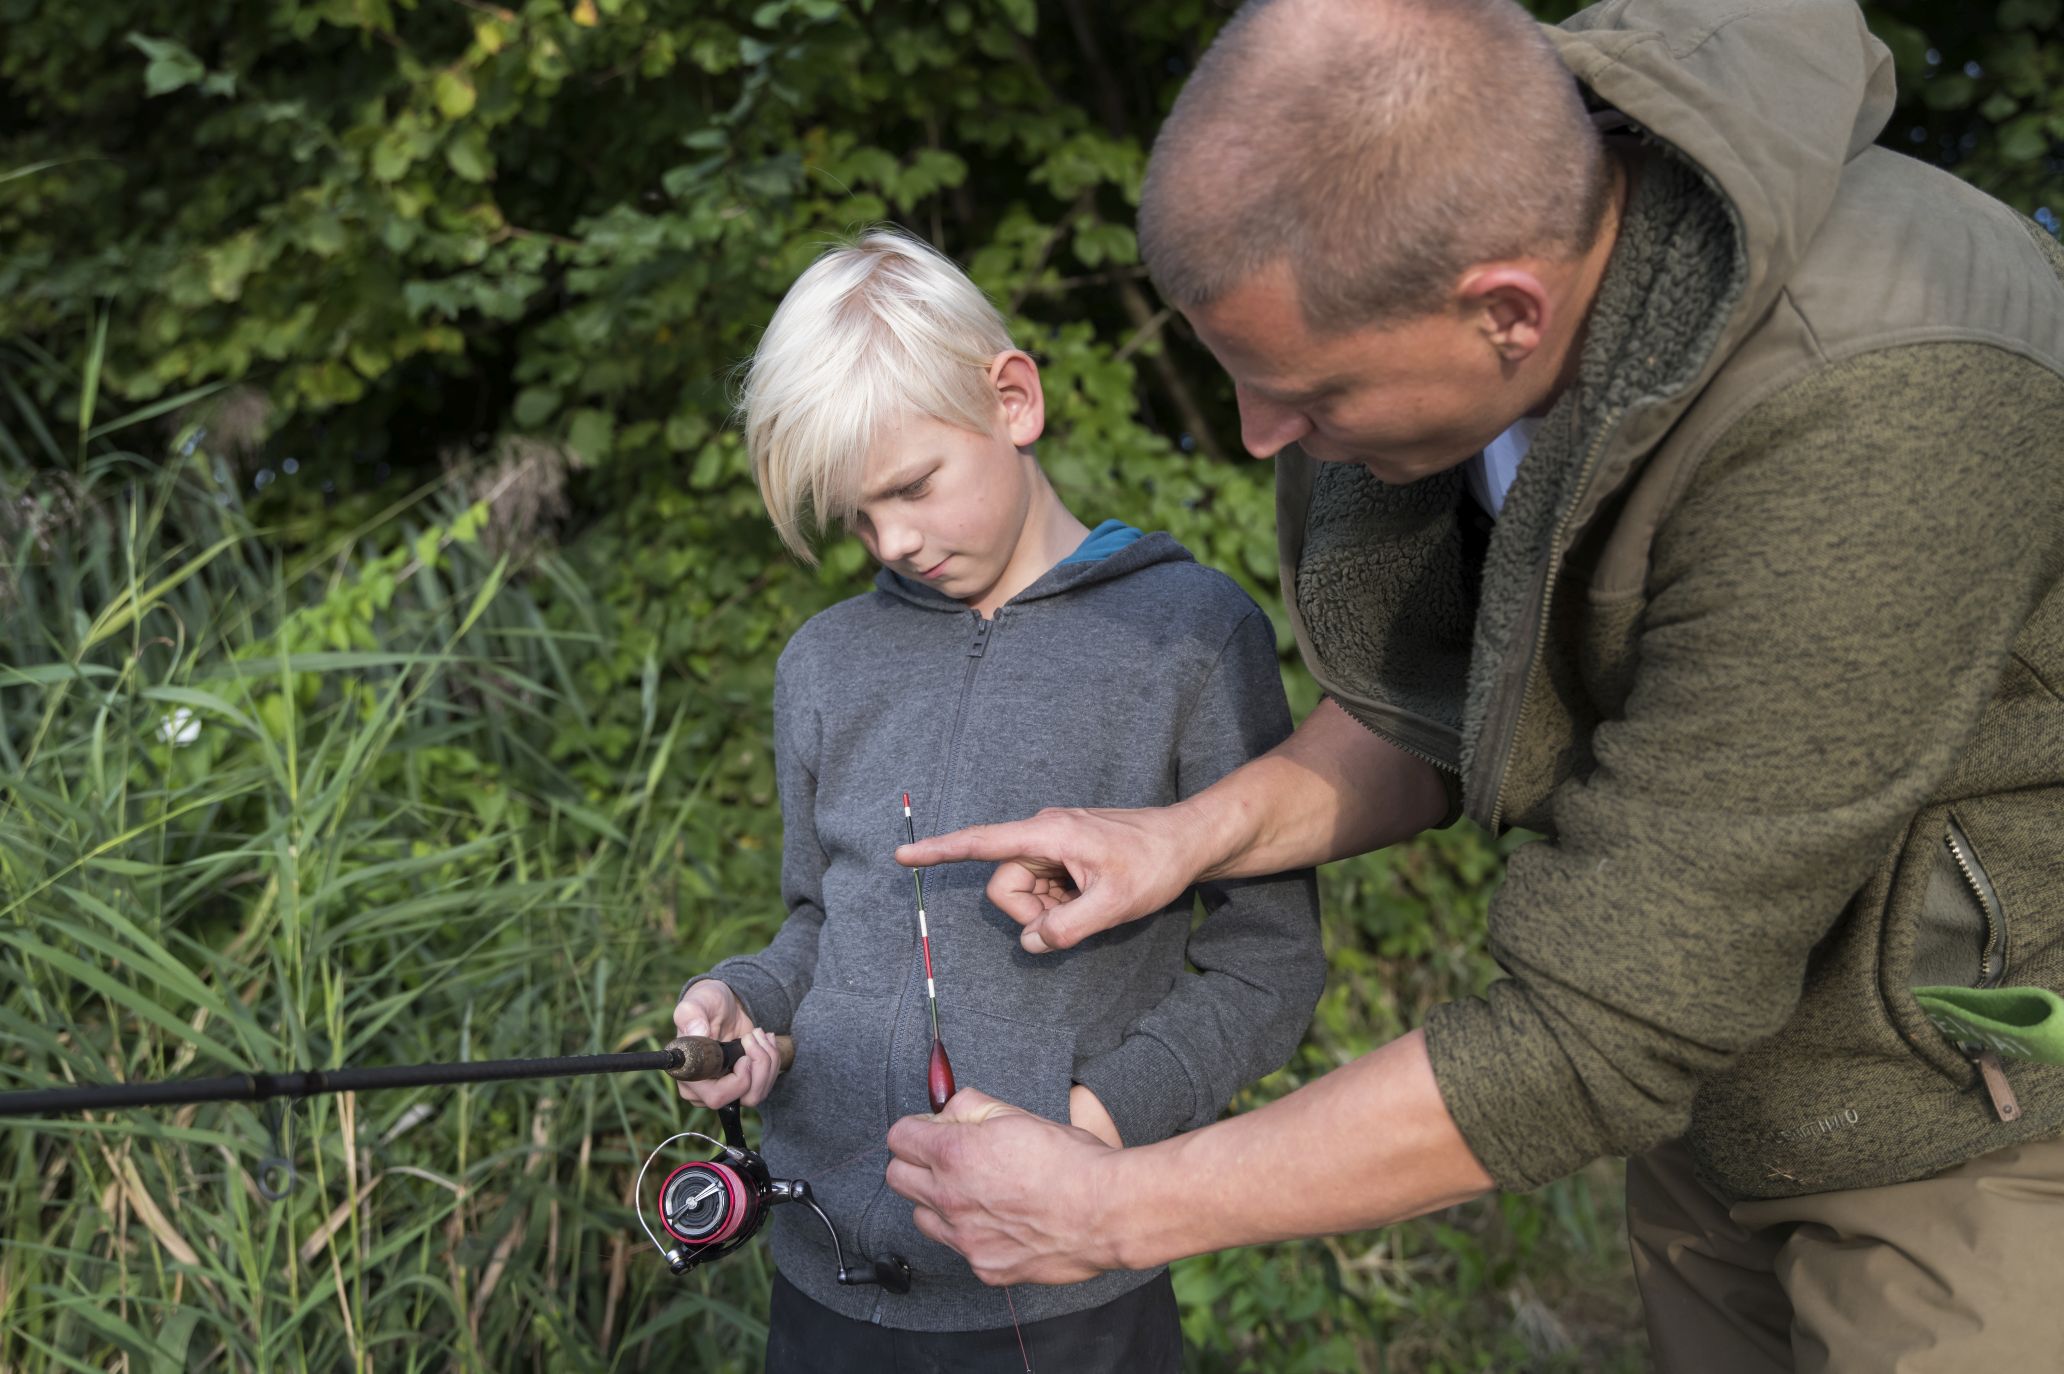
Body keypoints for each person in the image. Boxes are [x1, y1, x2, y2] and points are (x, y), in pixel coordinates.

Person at [882, 0, 2064, 1367]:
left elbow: (1603, 1024)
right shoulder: (1505, 283)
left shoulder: (1869, 410)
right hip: (1725, 1096)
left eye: (1310, 395)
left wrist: (1116, 1207)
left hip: (1978, 1111)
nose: (1263, 435)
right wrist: (1186, 837)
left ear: (1507, 310)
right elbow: (1471, 700)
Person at [669, 228, 1325, 1373]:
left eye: (912, 487)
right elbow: (820, 923)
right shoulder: (823, 663)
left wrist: (1090, 1128)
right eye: (857, 517)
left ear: (1013, 400)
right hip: (823, 1279)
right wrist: (745, 1002)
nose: (892, 541)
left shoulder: (1188, 636)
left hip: (1068, 1292)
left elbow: (1268, 964)